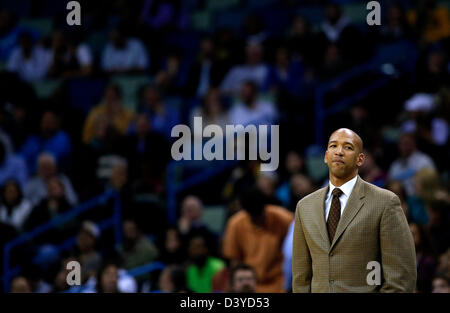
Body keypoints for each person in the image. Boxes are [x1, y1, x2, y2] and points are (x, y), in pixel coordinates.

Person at [292, 128, 416, 293]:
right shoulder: (304, 206)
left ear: (360, 159)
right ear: (325, 156)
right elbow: (301, 277)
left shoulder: (385, 202)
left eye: (348, 147)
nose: (339, 152)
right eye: (334, 146)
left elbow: (401, 276)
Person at [222, 187, 293, 292]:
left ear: (265, 206)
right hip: (250, 283)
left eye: (260, 214)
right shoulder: (235, 224)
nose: (258, 219)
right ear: (246, 212)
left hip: (280, 282)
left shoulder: (284, 218)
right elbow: (235, 261)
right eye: (254, 216)